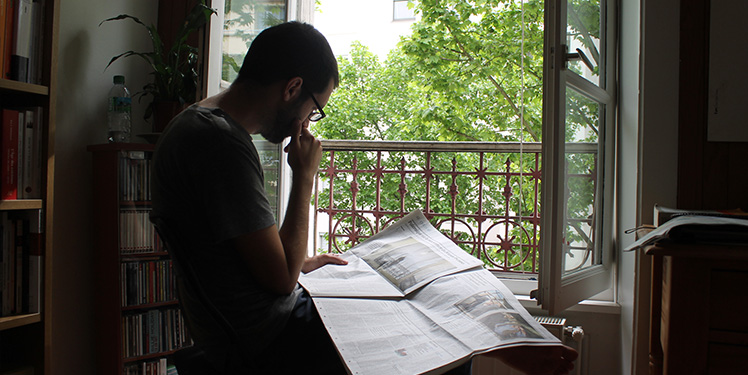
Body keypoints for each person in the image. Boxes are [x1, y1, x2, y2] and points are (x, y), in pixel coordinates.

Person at [151, 21, 577, 375]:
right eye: (315, 108)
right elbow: (279, 279)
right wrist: (304, 177)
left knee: (412, 295)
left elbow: (234, 253)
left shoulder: (195, 123)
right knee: (446, 358)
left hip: (263, 320)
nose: (309, 121)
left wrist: (297, 261)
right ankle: (503, 344)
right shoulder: (221, 144)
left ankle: (503, 343)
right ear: (292, 87)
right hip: (265, 340)